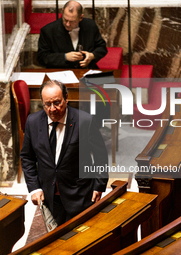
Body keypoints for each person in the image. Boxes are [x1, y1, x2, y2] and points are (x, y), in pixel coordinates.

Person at [20, 80, 108, 226]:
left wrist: (99, 185)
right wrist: (34, 187)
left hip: (80, 193)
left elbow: (100, 156)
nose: (52, 109)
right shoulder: (33, 122)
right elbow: (27, 157)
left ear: (66, 98)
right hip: (50, 195)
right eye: (47, 104)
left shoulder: (85, 121)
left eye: (57, 102)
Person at [37, 1, 107, 69]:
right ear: (62, 11)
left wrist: (92, 56)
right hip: (60, 72)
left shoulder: (90, 25)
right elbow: (42, 57)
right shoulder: (48, 30)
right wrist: (65, 57)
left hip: (86, 71)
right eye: (65, 19)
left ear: (81, 18)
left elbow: (102, 47)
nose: (67, 24)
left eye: (72, 21)